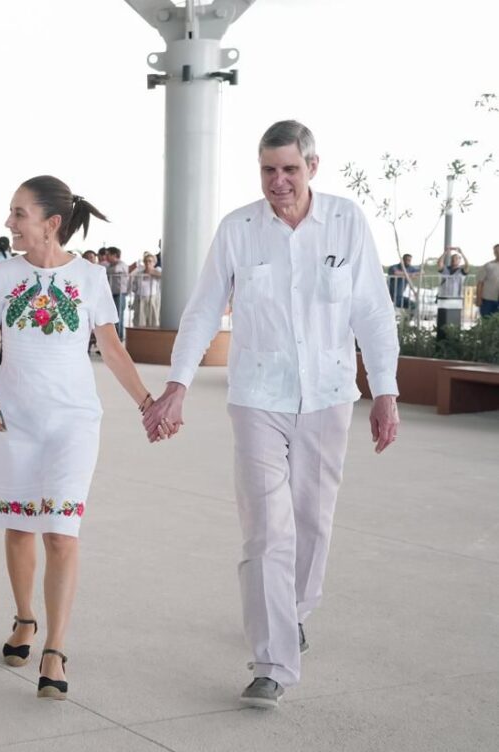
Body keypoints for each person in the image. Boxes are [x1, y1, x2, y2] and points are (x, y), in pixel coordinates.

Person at [143, 120, 400, 709]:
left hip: (330, 396)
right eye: (268, 170)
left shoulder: (346, 221)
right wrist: (177, 384)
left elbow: (372, 311)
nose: (278, 182)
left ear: (313, 166)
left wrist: (384, 391)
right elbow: (204, 310)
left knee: (312, 520)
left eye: (288, 169)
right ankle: (272, 663)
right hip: (258, 397)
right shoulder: (239, 229)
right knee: (266, 529)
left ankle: (295, 611)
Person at [0, 175, 156, 702]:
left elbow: (113, 351)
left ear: (51, 223)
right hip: (16, 419)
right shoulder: (2, 275)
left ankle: (55, 648)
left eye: (19, 214)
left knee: (60, 531)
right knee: (18, 528)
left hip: (74, 420)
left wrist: (147, 402)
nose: (10, 223)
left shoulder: (92, 278)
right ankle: (25, 619)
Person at [104, 247, 129, 341]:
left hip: (120, 293)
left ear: (115, 255)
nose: (106, 257)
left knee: (118, 316)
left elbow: (114, 271)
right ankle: (114, 339)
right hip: (112, 293)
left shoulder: (121, 265)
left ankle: (119, 338)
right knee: (112, 316)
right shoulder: (109, 266)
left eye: (108, 254)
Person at [130, 252, 162, 327]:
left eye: (150, 261)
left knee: (153, 320)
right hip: (140, 298)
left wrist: (152, 272)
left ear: (154, 263)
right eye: (146, 261)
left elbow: (163, 276)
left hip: (152, 298)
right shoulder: (139, 273)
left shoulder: (158, 270)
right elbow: (133, 284)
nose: (147, 263)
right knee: (139, 320)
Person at [478, 244, 499, 318]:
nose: (498, 252)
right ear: (494, 253)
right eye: (496, 251)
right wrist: (478, 298)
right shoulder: (488, 265)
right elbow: (480, 283)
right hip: (487, 300)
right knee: (486, 322)